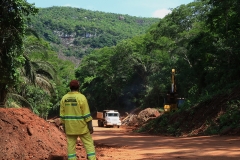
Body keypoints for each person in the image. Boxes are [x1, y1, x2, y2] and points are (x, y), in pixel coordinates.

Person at [60, 80, 96, 160]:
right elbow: (86, 114)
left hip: (70, 127)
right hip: (82, 127)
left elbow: (62, 115)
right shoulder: (81, 97)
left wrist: (64, 126)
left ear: (70, 87)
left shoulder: (64, 98)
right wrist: (90, 126)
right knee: (89, 144)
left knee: (71, 146)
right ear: (78, 87)